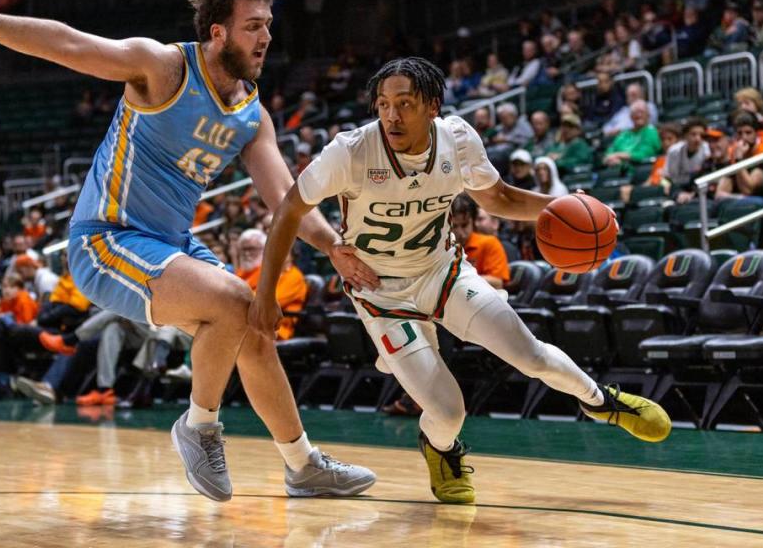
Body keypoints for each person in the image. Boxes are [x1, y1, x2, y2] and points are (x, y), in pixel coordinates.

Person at [0, 0, 375, 500]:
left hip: (171, 246)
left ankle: (303, 465)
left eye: (269, 25)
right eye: (253, 26)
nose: (267, 37)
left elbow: (287, 199)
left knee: (254, 329)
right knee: (234, 299)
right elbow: (67, 43)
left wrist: (334, 249)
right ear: (218, 32)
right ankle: (199, 427)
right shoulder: (163, 66)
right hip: (106, 239)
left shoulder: (253, 115)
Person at [248, 57, 671, 504]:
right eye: (384, 104)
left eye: (404, 104)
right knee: (449, 411)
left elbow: (500, 197)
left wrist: (564, 202)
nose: (391, 115)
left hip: (443, 272)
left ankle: (601, 401)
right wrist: (280, 283)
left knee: (531, 354)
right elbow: (290, 210)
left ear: (432, 106)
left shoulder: (457, 138)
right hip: (382, 293)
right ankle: (441, 448)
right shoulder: (349, 151)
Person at [449, 195, 510, 289]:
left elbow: (497, 282)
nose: (460, 233)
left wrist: (457, 280)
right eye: (454, 227)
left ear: (473, 221)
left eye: (464, 225)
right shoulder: (443, 247)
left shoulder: (489, 243)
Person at [603, 100, 662, 167]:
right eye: (635, 112)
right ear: (630, 117)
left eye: (641, 112)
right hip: (617, 168)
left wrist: (618, 155)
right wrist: (609, 159)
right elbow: (610, 150)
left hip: (640, 169)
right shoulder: (623, 134)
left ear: (648, 115)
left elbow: (643, 154)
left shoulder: (651, 132)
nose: (638, 115)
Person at [668, 118, 711, 204]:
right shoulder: (674, 151)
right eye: (693, 134)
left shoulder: (708, 150)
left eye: (701, 135)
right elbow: (672, 177)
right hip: (679, 184)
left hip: (698, 185)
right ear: (685, 136)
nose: (698, 138)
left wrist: (692, 193)